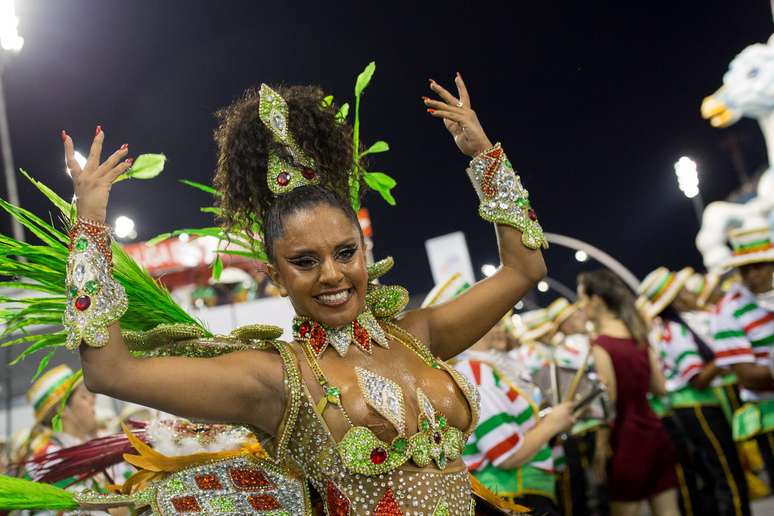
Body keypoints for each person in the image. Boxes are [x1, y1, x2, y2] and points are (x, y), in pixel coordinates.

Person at [57, 74, 548, 513]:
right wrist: (90, 227)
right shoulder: (274, 379)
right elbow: (109, 371)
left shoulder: (417, 336)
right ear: (276, 275)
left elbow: (524, 268)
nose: (332, 275)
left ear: (363, 249)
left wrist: (484, 158)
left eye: (344, 252)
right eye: (305, 262)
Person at [638, 266, 750, 516]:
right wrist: (727, 354)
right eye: (685, 290)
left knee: (724, 471)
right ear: (676, 299)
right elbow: (696, 378)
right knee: (727, 473)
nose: (692, 293)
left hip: (698, 405)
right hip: (697, 406)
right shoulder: (675, 331)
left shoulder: (678, 325)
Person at [577, 269, 680, 516]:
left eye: (582, 299)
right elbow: (660, 387)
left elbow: (608, 401)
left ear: (596, 300)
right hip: (654, 431)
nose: (580, 307)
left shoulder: (601, 344)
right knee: (668, 511)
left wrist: (601, 446)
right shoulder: (637, 335)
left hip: (625, 440)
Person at [453, 321, 576, 515]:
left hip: (522, 493)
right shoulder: (476, 374)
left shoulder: (485, 368)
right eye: (494, 321)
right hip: (512, 497)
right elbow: (505, 453)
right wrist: (552, 424)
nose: (502, 330)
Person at [709, 226, 774, 486]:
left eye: (758, 265)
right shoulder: (728, 310)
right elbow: (747, 376)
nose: (752, 274)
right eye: (745, 268)